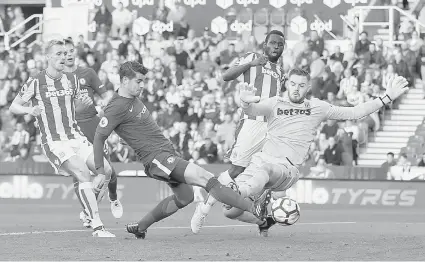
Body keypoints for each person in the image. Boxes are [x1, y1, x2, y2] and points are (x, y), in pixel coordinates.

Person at [192, 68, 409, 237]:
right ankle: (263, 220)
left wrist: (386, 98)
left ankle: (241, 193)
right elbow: (252, 110)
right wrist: (245, 102)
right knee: (230, 212)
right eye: (293, 84)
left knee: (255, 179)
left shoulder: (317, 107)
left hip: (286, 169)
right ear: (287, 83)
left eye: (302, 85)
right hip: (260, 162)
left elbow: (354, 112)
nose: (296, 88)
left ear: (307, 88)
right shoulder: (275, 103)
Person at [92, 61, 271, 239]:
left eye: (143, 81)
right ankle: (253, 207)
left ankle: (141, 227)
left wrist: (129, 138)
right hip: (157, 158)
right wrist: (100, 171)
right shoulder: (116, 106)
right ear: (124, 80)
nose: (142, 85)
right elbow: (99, 137)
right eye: (138, 81)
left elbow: (126, 126)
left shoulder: (129, 99)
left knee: (185, 197)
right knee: (207, 178)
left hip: (166, 154)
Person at [9, 40, 115, 237]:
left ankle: (87, 212)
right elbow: (13, 106)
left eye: (65, 53)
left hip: (75, 136)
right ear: (48, 57)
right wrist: (30, 109)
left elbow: (74, 109)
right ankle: (98, 226)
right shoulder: (36, 82)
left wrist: (85, 103)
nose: (63, 57)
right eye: (58, 53)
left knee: (106, 170)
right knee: (83, 173)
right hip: (55, 141)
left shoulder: (71, 80)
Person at [190, 30, 286, 233]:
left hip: (272, 127)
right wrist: (250, 64)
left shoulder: (280, 71)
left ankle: (262, 211)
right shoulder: (252, 58)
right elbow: (225, 76)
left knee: (274, 170)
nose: (277, 46)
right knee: (235, 170)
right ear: (265, 45)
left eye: (280, 44)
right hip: (252, 123)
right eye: (273, 43)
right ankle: (203, 209)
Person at [62, 38, 123, 228]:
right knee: (80, 175)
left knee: (108, 172)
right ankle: (89, 213)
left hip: (94, 126)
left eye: (71, 50)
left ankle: (113, 198)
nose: (69, 54)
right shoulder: (57, 79)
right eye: (65, 52)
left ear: (76, 52)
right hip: (72, 130)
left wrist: (101, 107)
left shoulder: (87, 73)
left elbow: (106, 97)